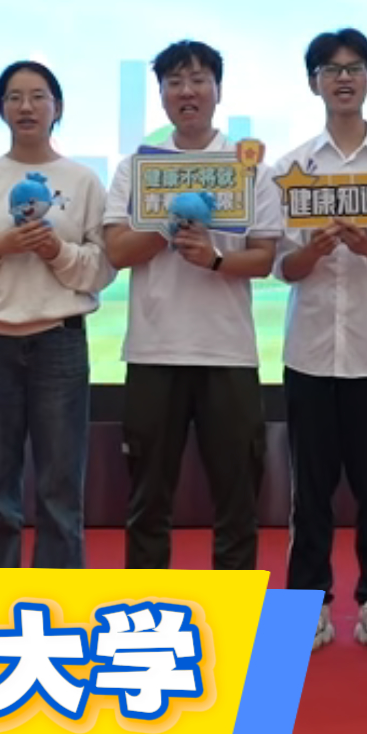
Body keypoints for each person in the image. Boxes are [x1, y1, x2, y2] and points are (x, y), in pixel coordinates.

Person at [274, 29, 367, 655]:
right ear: (314, 82)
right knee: (309, 490)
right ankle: (309, 604)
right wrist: (310, 252)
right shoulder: (291, 169)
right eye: (330, 69)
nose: (343, 78)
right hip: (311, 349)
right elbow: (281, 265)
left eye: (355, 68)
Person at [103, 41, 282, 573]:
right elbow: (117, 251)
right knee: (147, 500)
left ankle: (231, 609)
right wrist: (167, 225)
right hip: (154, 351)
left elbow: (264, 258)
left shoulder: (249, 167)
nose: (188, 92)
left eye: (199, 80)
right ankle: (146, 609)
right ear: (160, 94)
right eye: (175, 82)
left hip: (227, 353)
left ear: (218, 91)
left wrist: (216, 259)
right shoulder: (137, 168)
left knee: (237, 499)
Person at [0, 61, 111, 568]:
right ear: (1, 109)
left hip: (60, 341)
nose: (26, 107)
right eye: (14, 97)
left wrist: (56, 251)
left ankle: (57, 604)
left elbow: (100, 269)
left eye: (38, 96)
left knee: (61, 490)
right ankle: (1, 599)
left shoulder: (82, 180)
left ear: (57, 107)